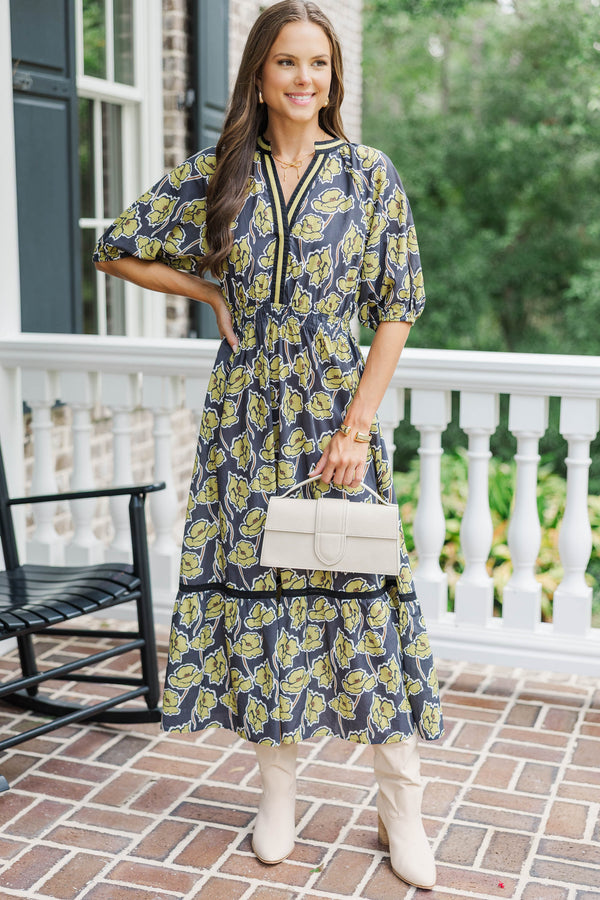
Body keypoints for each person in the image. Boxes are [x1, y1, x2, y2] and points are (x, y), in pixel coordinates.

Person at [94, 0, 443, 889]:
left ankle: (401, 804)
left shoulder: (367, 174)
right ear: (259, 73)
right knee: (265, 603)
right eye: (286, 63)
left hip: (335, 414)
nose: (303, 79)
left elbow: (398, 305)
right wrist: (210, 295)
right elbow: (118, 249)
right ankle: (276, 793)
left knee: (363, 601)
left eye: (318, 64)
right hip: (246, 418)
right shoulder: (222, 172)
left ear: (334, 76)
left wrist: (357, 426)